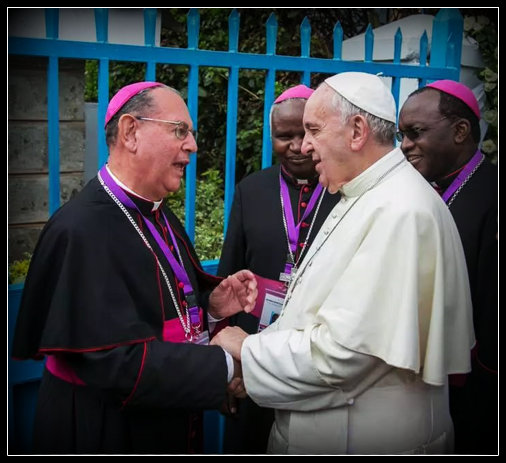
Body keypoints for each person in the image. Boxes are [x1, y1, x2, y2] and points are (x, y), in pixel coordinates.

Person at [210, 72, 475, 455]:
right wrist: (253, 366)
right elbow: (312, 315)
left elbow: (345, 355)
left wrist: (248, 352)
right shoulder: (364, 194)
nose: (306, 146)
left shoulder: (399, 211)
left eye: (314, 130)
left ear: (356, 131)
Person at [11, 81, 257, 454]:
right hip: (106, 430)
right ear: (130, 132)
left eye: (190, 133)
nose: (191, 144)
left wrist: (208, 307)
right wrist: (225, 366)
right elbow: (111, 361)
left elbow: (157, 312)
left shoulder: (159, 213)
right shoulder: (81, 229)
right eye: (180, 130)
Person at [218, 84, 341, 454]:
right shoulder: (252, 189)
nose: (297, 144)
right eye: (284, 135)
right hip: (252, 350)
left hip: (315, 351)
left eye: (305, 133)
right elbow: (228, 277)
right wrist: (229, 368)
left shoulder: (343, 190)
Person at [398, 80, 498, 455]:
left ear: (460, 131)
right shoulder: (422, 190)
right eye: (401, 134)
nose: (406, 144)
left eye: (416, 132)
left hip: (476, 386)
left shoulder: (493, 194)